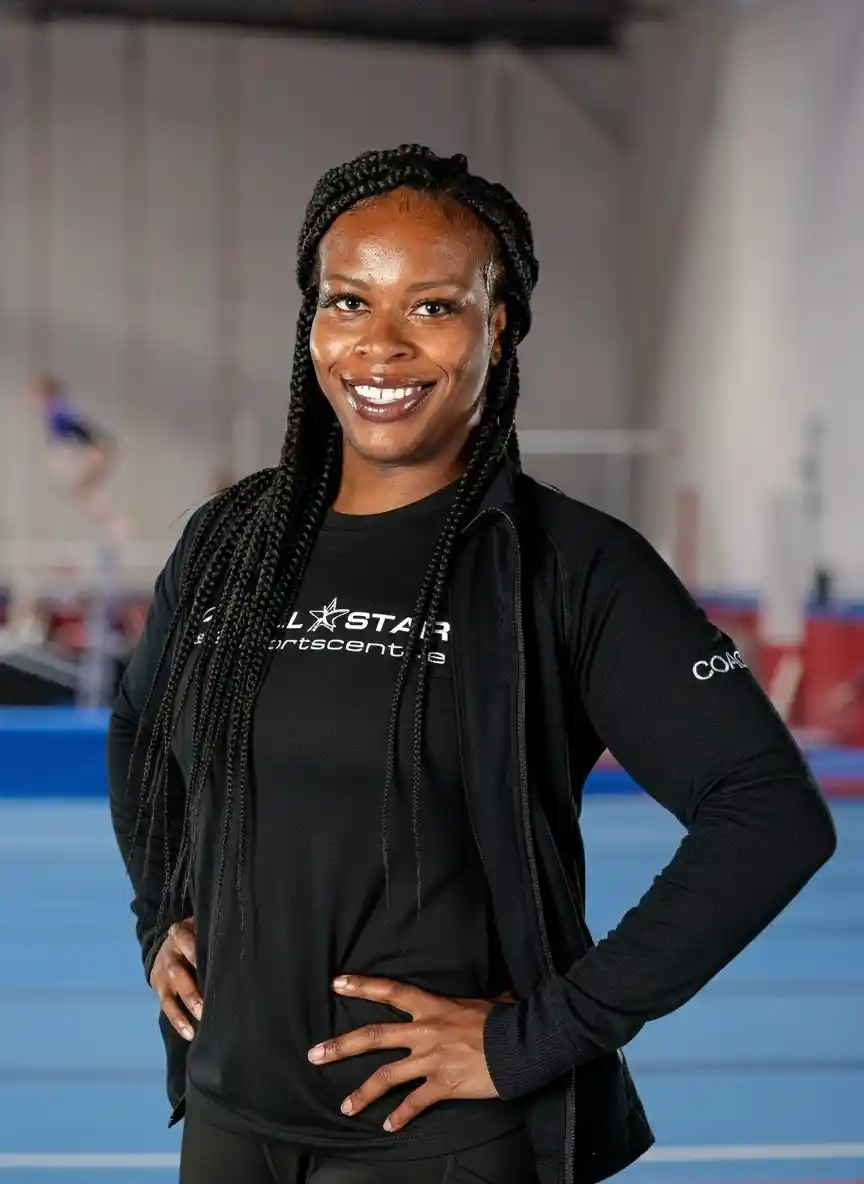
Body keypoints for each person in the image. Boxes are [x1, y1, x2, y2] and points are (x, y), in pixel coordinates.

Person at [107, 145, 836, 1184]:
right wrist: (159, 910)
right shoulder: (232, 540)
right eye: (348, 301)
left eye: (435, 307)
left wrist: (540, 1033)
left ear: (497, 325)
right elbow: (140, 725)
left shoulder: (568, 565)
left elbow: (768, 809)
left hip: (445, 1143)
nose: (381, 345)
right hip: (232, 1115)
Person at [30, 373, 131, 546]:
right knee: (86, 491)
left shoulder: (55, 410)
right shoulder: (62, 406)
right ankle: (115, 525)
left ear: (44, 393)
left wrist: (57, 471)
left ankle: (117, 525)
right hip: (101, 447)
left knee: (83, 491)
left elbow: (57, 445)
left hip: (98, 449)